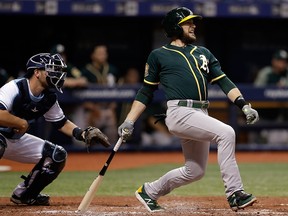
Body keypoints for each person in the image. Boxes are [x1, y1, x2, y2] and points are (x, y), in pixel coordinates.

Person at [118, 7, 259, 212]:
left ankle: (149, 191)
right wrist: (129, 120)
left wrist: (243, 105)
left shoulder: (203, 53)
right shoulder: (159, 55)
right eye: (188, 22)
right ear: (175, 27)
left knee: (195, 171)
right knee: (226, 133)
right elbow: (146, 92)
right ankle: (235, 193)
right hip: (180, 112)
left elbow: (224, 82)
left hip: (200, 113)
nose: (194, 26)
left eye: (193, 22)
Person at [0, 53, 110, 206]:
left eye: (58, 71)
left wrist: (83, 133)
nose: (57, 74)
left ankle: (25, 195)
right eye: (51, 70)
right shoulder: (15, 87)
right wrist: (21, 123)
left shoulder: (48, 97)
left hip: (15, 139)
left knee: (56, 155)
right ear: (37, 72)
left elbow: (62, 123)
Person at [81, 44, 120, 143]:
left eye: (104, 53)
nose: (102, 55)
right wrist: (93, 109)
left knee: (112, 140)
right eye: (99, 53)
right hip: (91, 110)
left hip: (108, 109)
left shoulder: (112, 69)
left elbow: (117, 91)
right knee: (85, 141)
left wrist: (112, 107)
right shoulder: (86, 71)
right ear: (93, 55)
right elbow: (80, 96)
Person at [253, 49, 288, 144]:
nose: (282, 63)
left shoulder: (286, 73)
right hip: (263, 116)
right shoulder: (266, 72)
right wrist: (273, 88)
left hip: (279, 117)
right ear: (274, 61)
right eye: (280, 60)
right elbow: (255, 91)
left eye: (284, 61)